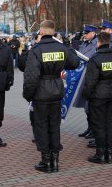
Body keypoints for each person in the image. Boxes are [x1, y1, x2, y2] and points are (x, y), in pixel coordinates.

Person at [23, 20, 79, 173]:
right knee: (54, 125)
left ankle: (46, 161)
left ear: (40, 31)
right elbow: (74, 63)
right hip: (56, 91)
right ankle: (55, 162)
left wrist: (28, 95)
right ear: (54, 32)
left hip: (40, 93)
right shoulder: (61, 48)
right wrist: (68, 47)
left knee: (41, 126)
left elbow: (31, 76)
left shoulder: (36, 50)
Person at [82, 32, 112, 164]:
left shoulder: (95, 58)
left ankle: (100, 154)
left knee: (99, 125)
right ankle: (109, 154)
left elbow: (90, 81)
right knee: (109, 123)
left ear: (99, 42)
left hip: (98, 95)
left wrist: (86, 95)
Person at [71, 25, 98, 140]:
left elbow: (88, 57)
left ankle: (93, 129)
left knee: (91, 106)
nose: (85, 35)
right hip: (84, 76)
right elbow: (77, 53)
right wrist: (75, 41)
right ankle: (90, 128)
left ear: (92, 33)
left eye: (86, 33)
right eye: (84, 34)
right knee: (86, 106)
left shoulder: (96, 43)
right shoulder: (86, 43)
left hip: (91, 76)